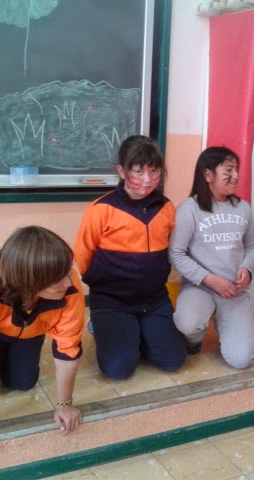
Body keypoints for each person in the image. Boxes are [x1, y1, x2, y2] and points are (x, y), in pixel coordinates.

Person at [0, 226, 85, 454]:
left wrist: (64, 404)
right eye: (57, 279)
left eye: (68, 271)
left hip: (27, 322)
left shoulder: (69, 289)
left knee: (23, 383)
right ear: (28, 281)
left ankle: (12, 345)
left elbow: (68, 348)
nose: (68, 282)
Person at [73, 135, 186, 380]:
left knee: (173, 361)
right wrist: (103, 283)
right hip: (113, 302)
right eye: (138, 171)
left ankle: (136, 332)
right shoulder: (101, 209)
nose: (147, 179)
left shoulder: (166, 207)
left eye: (154, 171)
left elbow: (171, 249)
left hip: (154, 300)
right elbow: (83, 255)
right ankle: (102, 325)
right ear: (122, 171)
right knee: (118, 370)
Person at [169, 146, 254, 368]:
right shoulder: (189, 208)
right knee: (188, 323)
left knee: (242, 360)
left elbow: (252, 245)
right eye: (228, 170)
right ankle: (194, 340)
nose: (235, 176)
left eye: (236, 170)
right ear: (208, 175)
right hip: (200, 288)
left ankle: (225, 326)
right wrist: (210, 279)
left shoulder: (243, 208)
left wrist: (247, 268)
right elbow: (176, 253)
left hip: (234, 293)